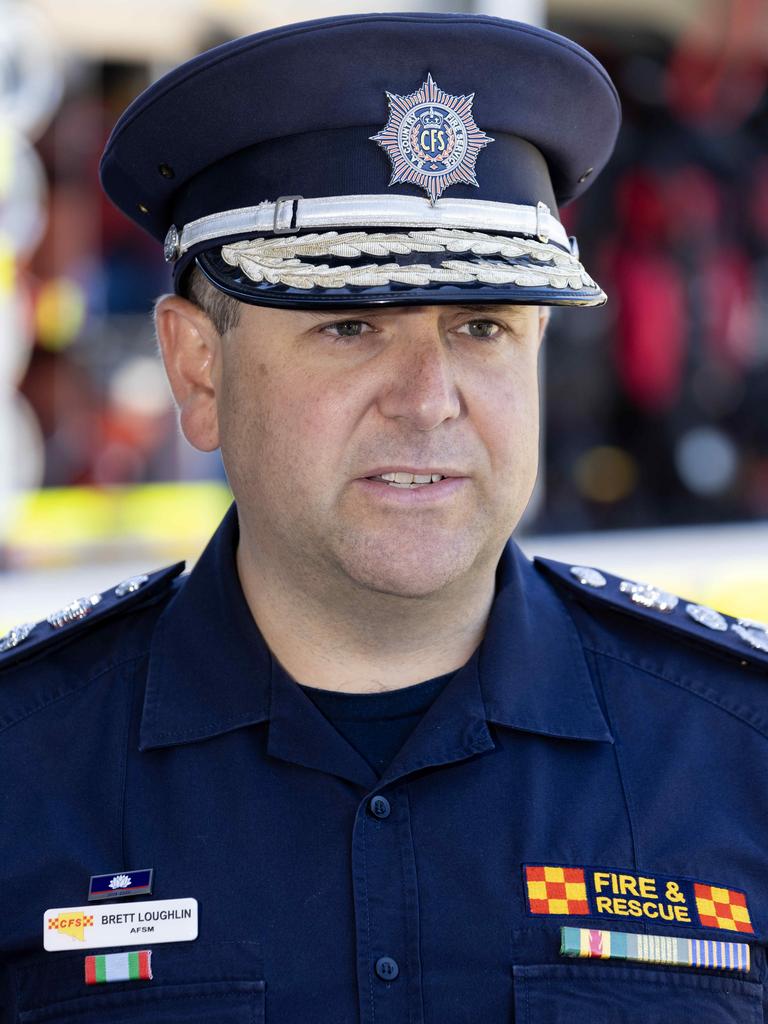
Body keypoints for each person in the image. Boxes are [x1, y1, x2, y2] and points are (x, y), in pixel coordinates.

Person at [2, 12, 767, 1023]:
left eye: (483, 325)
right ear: (198, 366)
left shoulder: (737, 751)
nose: (427, 397)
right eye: (351, 325)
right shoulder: (25, 766)